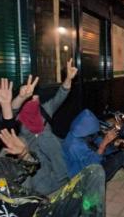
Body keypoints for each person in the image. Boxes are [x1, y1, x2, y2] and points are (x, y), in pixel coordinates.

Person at [11, 59, 78, 195]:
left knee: (46, 137)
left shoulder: (45, 109)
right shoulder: (19, 117)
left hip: (53, 154)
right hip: (34, 158)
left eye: (35, 97)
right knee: (42, 188)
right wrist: (20, 97)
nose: (34, 101)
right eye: (30, 98)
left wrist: (68, 78)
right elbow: (10, 111)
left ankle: (65, 179)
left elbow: (61, 95)